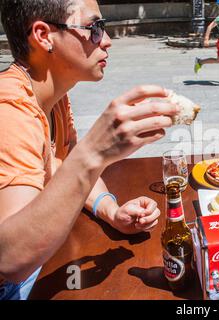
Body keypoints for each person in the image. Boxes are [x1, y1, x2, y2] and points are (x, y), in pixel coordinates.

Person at [0, 0, 180, 300]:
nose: (107, 40)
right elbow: (11, 258)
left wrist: (111, 210)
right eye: (94, 28)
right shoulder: (10, 110)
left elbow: (64, 164)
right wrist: (93, 153)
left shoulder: (52, 94)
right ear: (44, 36)